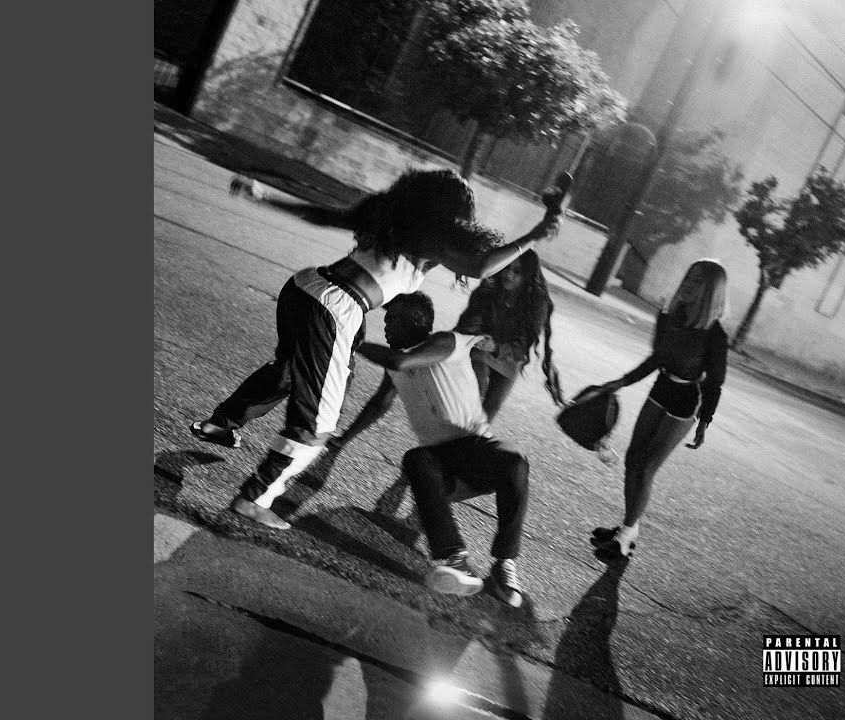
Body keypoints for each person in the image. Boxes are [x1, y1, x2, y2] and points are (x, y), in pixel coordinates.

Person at [190, 168, 564, 531]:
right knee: (319, 421)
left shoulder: (388, 218)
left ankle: (221, 424)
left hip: (305, 286)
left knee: (289, 371)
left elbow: (321, 215)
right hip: (335, 307)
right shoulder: (432, 236)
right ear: (452, 212)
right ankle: (255, 498)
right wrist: (534, 234)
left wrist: (262, 195)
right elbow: (481, 266)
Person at [329, 292, 531, 607]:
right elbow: (380, 403)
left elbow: (399, 361)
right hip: (440, 466)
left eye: (393, 319)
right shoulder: (396, 363)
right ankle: (456, 560)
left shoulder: (446, 342)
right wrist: (344, 438)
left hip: (474, 449)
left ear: (417, 321)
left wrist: (354, 343)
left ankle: (505, 563)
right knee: (415, 458)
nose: (386, 327)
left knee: (515, 461)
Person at [581, 259, 730, 559]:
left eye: (697, 280)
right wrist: (622, 381)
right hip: (661, 389)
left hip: (687, 400)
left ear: (711, 291)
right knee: (632, 460)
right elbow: (656, 358)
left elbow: (715, 383)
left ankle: (625, 536)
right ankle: (628, 528)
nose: (688, 283)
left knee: (647, 466)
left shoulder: (715, 335)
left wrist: (704, 421)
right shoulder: (669, 317)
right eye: (688, 276)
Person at [453, 249, 566, 420]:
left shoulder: (537, 302)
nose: (509, 275)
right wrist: (477, 335)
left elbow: (523, 346)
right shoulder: (489, 288)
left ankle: (473, 434)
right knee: (475, 388)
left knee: (489, 411)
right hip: (481, 348)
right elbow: (470, 322)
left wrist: (496, 347)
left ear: (527, 275)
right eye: (506, 268)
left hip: (510, 356)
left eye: (517, 271)